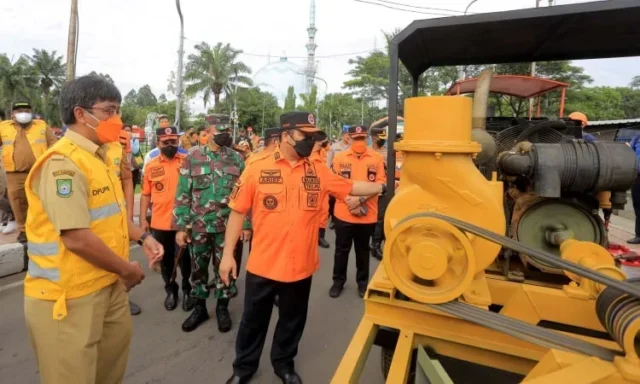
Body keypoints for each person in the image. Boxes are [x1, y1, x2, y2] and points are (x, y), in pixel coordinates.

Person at [219, 111, 385, 384]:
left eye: (313, 136)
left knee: (292, 322)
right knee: (252, 322)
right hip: (264, 264)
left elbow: (350, 186)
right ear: (285, 136)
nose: (310, 141)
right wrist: (228, 256)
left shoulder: (317, 169)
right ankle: (243, 369)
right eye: (304, 136)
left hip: (301, 265)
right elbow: (237, 212)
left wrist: (384, 186)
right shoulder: (257, 167)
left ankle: (283, 364)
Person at [23, 75, 164, 384]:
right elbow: (76, 238)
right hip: (68, 297)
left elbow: (110, 217)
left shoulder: (98, 158)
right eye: (109, 111)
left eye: (118, 111)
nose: (118, 120)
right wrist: (128, 271)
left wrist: (144, 237)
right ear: (80, 114)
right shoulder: (63, 164)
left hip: (106, 284)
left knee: (109, 374)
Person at [174, 114, 251, 333]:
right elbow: (183, 193)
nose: (225, 135)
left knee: (224, 269)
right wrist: (182, 226)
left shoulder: (236, 159)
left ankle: (222, 307)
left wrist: (245, 224)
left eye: (227, 131)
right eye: (220, 131)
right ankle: (199, 308)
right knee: (198, 270)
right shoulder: (192, 157)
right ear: (207, 132)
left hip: (227, 228)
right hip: (198, 226)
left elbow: (244, 195)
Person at [140, 126, 194, 312]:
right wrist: (142, 220)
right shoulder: (151, 166)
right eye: (166, 142)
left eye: (174, 141)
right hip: (160, 222)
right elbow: (146, 195)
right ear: (158, 143)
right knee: (165, 260)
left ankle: (188, 289)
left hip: (183, 222)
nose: (171, 145)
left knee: (186, 259)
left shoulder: (188, 161)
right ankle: (171, 290)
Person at [330, 124, 386, 298]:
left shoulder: (376, 158)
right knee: (341, 251)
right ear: (349, 138)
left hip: (367, 214)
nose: (359, 142)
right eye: (356, 139)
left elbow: (381, 185)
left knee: (363, 252)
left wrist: (360, 200)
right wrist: (349, 201)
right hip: (343, 213)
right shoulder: (339, 158)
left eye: (362, 139)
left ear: (367, 138)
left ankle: (362, 283)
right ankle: (338, 282)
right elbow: (334, 184)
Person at [0, 102, 57, 242]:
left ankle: (44, 228)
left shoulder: (42, 126)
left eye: (26, 110)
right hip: (14, 173)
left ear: (32, 112)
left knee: (41, 200)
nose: (23, 113)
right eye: (19, 110)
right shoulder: (3, 127)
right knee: (18, 202)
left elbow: (54, 144)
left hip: (40, 171)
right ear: (12, 114)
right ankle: (23, 230)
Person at [368, 124, 388, 260]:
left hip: (384, 189)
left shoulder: (388, 152)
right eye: (381, 138)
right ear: (374, 138)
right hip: (369, 189)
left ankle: (376, 245)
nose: (383, 140)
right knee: (370, 217)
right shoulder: (367, 152)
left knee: (381, 218)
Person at [326, 126, 351, 230]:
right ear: (343, 134)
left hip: (348, 177)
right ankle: (333, 218)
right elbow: (328, 162)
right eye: (346, 134)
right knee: (332, 199)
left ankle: (344, 218)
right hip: (335, 176)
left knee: (346, 198)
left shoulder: (352, 147)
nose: (348, 137)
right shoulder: (334, 147)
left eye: (350, 135)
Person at [310, 132, 331, 249]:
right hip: (312, 185)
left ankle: (320, 236)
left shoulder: (323, 152)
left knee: (324, 210)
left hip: (324, 184)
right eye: (325, 141)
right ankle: (311, 235)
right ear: (319, 142)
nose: (327, 143)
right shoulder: (309, 153)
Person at [628, 135, 640, 244]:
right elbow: (630, 152)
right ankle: (639, 235)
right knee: (638, 206)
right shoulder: (637, 138)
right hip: (638, 177)